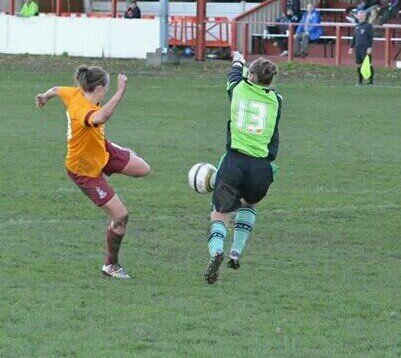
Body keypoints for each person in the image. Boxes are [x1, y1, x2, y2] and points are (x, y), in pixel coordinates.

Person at [35, 66, 151, 279]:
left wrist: (44, 96)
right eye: (106, 88)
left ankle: (118, 152)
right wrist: (120, 91)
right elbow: (102, 116)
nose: (106, 91)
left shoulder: (75, 91)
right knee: (121, 216)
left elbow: (55, 89)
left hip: (101, 150)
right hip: (83, 170)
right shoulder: (83, 110)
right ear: (98, 88)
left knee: (143, 169)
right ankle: (111, 265)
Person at [204, 52, 282, 285]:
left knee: (219, 213)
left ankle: (217, 251)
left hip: (234, 162)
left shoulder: (237, 88)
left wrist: (237, 59)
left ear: (250, 75)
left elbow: (234, 74)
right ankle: (236, 252)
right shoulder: (277, 101)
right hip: (261, 168)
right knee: (249, 203)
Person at [348, 11, 374, 85]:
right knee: (359, 64)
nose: (361, 17)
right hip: (357, 48)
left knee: (368, 64)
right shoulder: (357, 26)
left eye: (362, 16)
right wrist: (351, 47)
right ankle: (360, 81)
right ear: (358, 16)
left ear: (365, 17)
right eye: (359, 16)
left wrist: (369, 47)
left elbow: (370, 37)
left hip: (365, 48)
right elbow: (354, 37)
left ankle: (371, 81)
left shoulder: (368, 26)